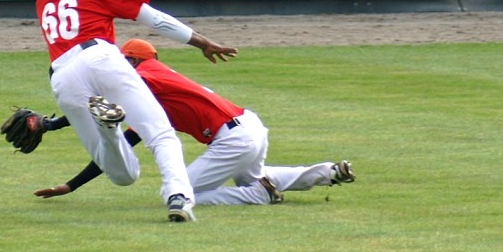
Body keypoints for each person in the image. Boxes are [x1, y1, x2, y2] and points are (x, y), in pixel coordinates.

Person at [28, 0, 237, 222]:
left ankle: (109, 128)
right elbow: (155, 19)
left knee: (121, 175)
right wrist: (202, 42)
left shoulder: (43, 1)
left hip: (64, 77)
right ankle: (178, 197)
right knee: (160, 134)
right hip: (100, 58)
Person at [31, 38, 356, 205]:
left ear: (129, 61)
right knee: (252, 177)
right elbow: (124, 141)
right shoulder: (156, 85)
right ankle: (327, 172)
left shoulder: (144, 77)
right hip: (250, 126)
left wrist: (50, 125)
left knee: (178, 192)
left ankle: (258, 196)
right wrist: (73, 185)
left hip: (233, 140)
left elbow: (102, 112)